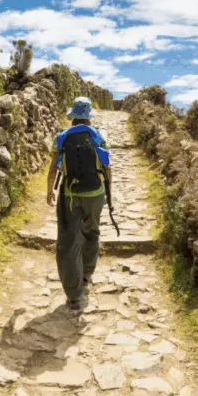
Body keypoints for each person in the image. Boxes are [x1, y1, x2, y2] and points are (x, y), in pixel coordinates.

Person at [46, 96, 111, 315]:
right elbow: (107, 166)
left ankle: (73, 294)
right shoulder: (98, 136)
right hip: (96, 193)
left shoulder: (62, 137)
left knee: (68, 240)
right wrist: (108, 191)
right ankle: (87, 274)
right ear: (89, 116)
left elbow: (54, 168)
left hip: (70, 194)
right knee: (92, 231)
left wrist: (49, 191)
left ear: (72, 116)